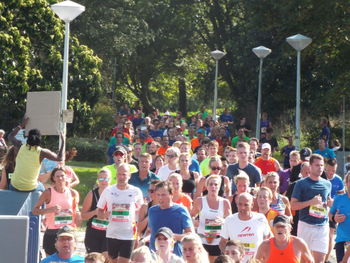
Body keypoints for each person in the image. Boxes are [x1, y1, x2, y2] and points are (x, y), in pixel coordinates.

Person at [97, 164, 144, 263]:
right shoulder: (108, 190)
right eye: (119, 174)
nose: (121, 177)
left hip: (129, 234)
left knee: (124, 261)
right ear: (116, 175)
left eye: (124, 174)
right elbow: (100, 210)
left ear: (129, 176)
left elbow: (141, 212)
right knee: (113, 261)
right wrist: (103, 216)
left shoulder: (136, 191)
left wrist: (138, 232)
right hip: (112, 233)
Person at [291, 154, 332, 263]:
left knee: (320, 260)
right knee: (305, 260)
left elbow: (328, 201)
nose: (320, 168)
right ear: (310, 166)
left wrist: (330, 203)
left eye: (322, 165)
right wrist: (310, 202)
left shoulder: (327, 184)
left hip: (322, 226)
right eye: (317, 165)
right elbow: (293, 205)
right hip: (305, 225)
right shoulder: (301, 183)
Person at [8, 117, 65, 192]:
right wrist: (63, 141)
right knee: (42, 188)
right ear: (39, 139)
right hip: (30, 187)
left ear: (28, 138)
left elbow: (10, 136)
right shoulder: (42, 152)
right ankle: (42, 204)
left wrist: (21, 125)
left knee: (11, 185)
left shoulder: (20, 146)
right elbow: (59, 158)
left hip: (15, 185)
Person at [220, 193, 271, 262]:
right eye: (240, 204)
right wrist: (228, 256)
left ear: (252, 205)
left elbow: (269, 237)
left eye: (246, 205)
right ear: (237, 204)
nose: (242, 207)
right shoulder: (229, 220)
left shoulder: (260, 218)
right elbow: (222, 242)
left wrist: (264, 256)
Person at [192, 175, 231, 263]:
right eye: (211, 184)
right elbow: (191, 216)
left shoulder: (225, 202)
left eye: (216, 184)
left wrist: (223, 221)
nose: (213, 187)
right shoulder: (200, 201)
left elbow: (230, 221)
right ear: (207, 186)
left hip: (218, 241)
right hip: (202, 240)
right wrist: (194, 221)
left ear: (219, 186)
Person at [148, 181, 194, 257]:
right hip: (154, 256)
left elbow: (191, 235)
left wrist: (171, 236)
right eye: (158, 195)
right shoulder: (152, 210)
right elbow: (151, 231)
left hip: (174, 256)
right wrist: (143, 241)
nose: (160, 198)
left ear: (171, 195)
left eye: (163, 195)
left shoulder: (181, 210)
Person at [81, 169, 111, 258]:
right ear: (97, 180)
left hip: (108, 231)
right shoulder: (92, 194)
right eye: (101, 179)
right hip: (93, 232)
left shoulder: (114, 193)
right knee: (94, 258)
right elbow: (83, 216)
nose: (103, 181)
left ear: (110, 180)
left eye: (106, 179)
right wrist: (95, 212)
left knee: (106, 256)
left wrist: (109, 215)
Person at [329, 172, 350, 263]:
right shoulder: (339, 198)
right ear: (346, 182)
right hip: (341, 241)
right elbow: (330, 215)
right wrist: (335, 218)